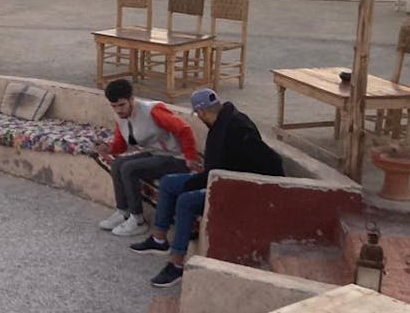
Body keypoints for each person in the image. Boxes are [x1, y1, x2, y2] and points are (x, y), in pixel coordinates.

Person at [130, 88, 285, 287]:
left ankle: (177, 264)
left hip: (237, 187)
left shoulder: (237, 127)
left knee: (185, 201)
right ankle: (159, 240)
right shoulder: (223, 122)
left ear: (202, 112)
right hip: (218, 178)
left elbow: (265, 161)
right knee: (169, 182)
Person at [97, 79, 201, 237]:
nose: (118, 110)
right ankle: (123, 212)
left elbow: (184, 130)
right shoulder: (122, 117)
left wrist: (190, 157)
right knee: (118, 163)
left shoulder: (152, 111)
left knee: (129, 168)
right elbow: (121, 144)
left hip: (176, 157)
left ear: (132, 99)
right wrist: (109, 148)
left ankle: (138, 220)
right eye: (114, 106)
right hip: (155, 154)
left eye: (122, 105)